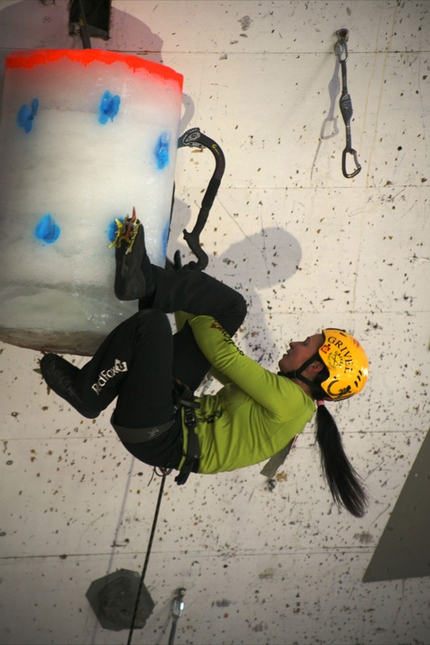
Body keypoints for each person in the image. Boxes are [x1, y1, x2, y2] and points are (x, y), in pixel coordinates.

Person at [40, 216, 369, 517]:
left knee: (155, 325)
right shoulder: (290, 401)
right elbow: (218, 362)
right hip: (166, 414)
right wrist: (184, 292)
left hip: (157, 434)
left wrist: (189, 296)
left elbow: (223, 356)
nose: (295, 343)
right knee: (228, 310)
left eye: (306, 345)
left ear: (314, 368)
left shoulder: (289, 403)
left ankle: (89, 393)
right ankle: (149, 283)